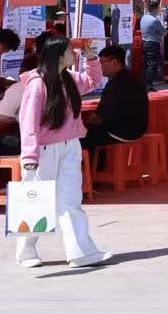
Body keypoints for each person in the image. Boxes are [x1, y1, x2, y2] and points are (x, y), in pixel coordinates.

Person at [12, 35, 108, 268]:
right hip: (43, 151)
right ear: (58, 55)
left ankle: (80, 252)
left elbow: (93, 80)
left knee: (71, 200)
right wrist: (30, 155)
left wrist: (91, 57)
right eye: (70, 50)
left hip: (70, 146)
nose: (74, 54)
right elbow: (28, 122)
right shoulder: (37, 84)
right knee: (35, 201)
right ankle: (26, 252)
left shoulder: (69, 78)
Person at [82, 44, 148, 154]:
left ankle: (95, 165)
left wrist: (85, 125)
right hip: (139, 131)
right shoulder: (135, 78)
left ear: (114, 62)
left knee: (84, 136)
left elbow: (99, 116)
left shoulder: (115, 84)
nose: (100, 66)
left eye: (102, 62)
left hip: (120, 133)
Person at [139, 0, 166, 91]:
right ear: (155, 8)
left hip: (145, 43)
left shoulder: (143, 18)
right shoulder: (154, 20)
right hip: (153, 44)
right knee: (152, 65)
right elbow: (164, 32)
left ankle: (143, 84)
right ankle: (148, 85)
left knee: (146, 64)